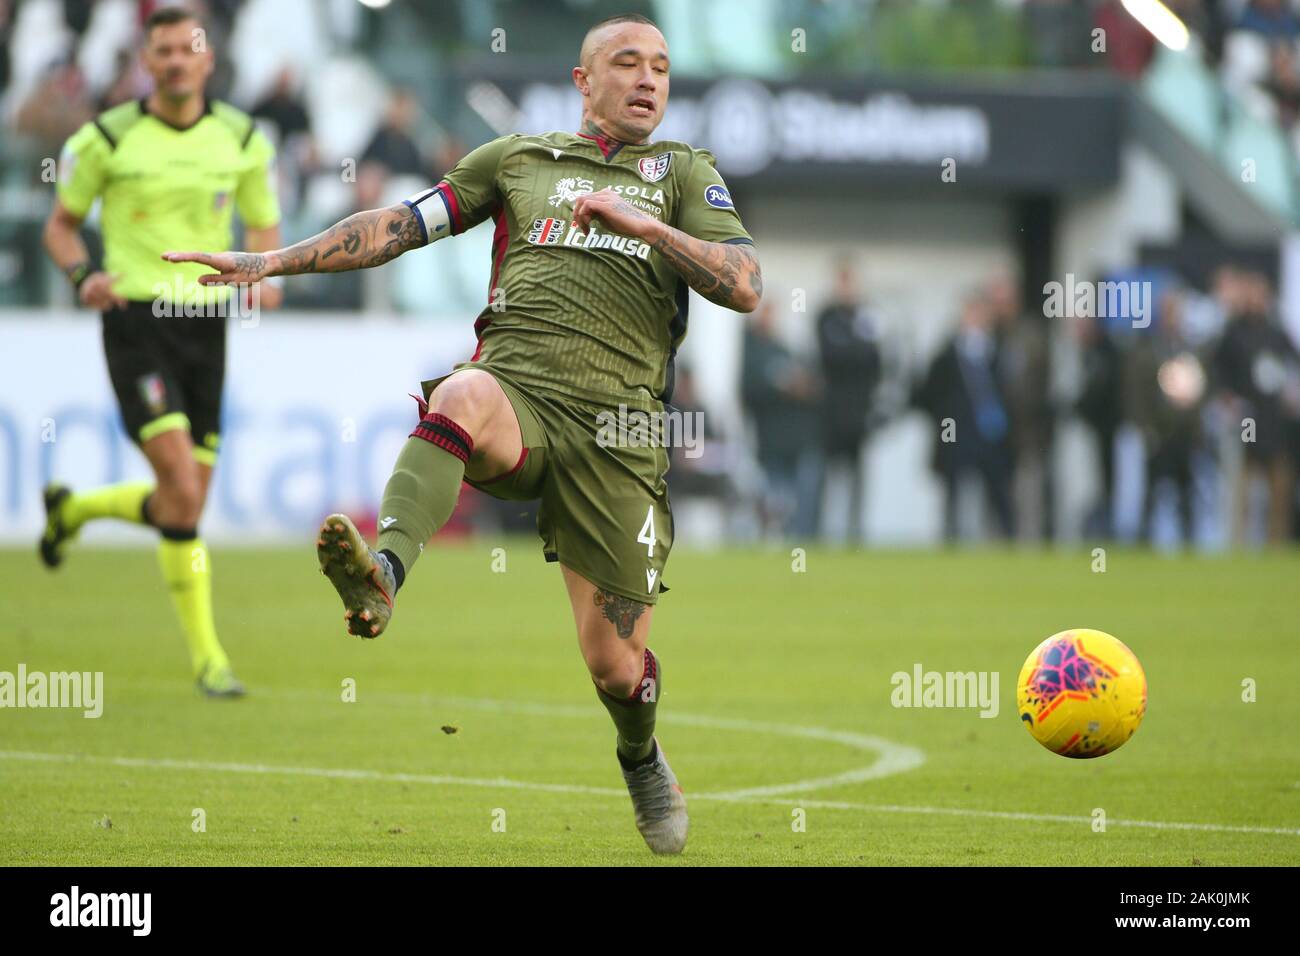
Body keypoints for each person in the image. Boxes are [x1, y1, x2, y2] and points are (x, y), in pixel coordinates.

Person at [163, 13, 761, 854]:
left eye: (661, 66)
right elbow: (398, 226)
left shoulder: (685, 175)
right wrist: (270, 263)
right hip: (518, 397)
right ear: (585, 82)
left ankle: (639, 754)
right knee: (463, 392)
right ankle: (385, 574)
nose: (649, 79)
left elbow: (745, 285)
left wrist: (652, 230)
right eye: (627, 63)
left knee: (615, 669)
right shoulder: (519, 160)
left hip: (620, 436)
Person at [39, 6, 283, 698]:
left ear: (208, 61)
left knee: (184, 505)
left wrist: (266, 274)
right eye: (164, 51)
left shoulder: (241, 137)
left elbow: (264, 225)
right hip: (136, 321)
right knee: (180, 485)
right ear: (145, 62)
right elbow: (60, 229)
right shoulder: (107, 137)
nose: (176, 61)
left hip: (206, 326)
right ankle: (210, 660)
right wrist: (84, 276)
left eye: (187, 50)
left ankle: (75, 512)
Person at [915, 294, 1014, 541]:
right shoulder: (947, 354)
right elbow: (928, 393)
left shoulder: (997, 351)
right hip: (954, 430)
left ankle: (1004, 538)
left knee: (997, 488)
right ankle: (951, 538)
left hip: (989, 432)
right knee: (953, 487)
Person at [814, 261, 881, 544]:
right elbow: (832, 355)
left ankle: (855, 535)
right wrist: (856, 347)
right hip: (831, 413)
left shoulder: (867, 316)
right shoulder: (826, 316)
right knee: (827, 475)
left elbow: (875, 361)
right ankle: (824, 534)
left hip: (860, 412)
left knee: (858, 476)